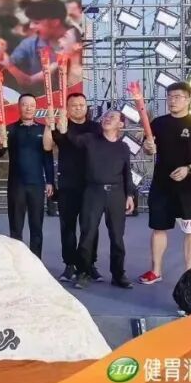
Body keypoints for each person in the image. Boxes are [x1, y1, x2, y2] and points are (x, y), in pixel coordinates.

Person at [138, 82, 191, 285]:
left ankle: (190, 275)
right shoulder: (159, 123)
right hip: (161, 184)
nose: (172, 101)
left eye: (177, 97)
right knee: (158, 228)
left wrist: (189, 168)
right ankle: (155, 271)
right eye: (170, 97)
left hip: (188, 186)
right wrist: (148, 148)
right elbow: (149, 149)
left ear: (188, 99)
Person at [58, 110, 136, 290]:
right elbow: (71, 139)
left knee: (117, 237)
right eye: (105, 116)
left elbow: (127, 173)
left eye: (112, 117)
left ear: (121, 124)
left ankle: (118, 274)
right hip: (93, 192)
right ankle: (83, 272)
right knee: (88, 234)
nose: (107, 119)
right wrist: (63, 127)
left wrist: (130, 195)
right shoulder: (90, 140)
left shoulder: (124, 147)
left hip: (116, 194)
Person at [0, 94, 55, 259]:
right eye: (24, 105)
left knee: (36, 227)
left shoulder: (43, 129)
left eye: (31, 105)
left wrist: (50, 181)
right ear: (18, 107)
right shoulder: (10, 129)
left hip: (37, 184)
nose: (28, 108)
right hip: (16, 185)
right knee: (16, 227)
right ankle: (18, 261)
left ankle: (36, 261)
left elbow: (48, 157)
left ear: (36, 108)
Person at [50, 93, 102, 283]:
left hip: (91, 184)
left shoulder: (95, 128)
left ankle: (89, 264)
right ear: (67, 108)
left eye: (82, 104)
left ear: (87, 107)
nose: (78, 108)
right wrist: (56, 127)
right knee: (68, 227)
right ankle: (70, 264)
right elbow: (51, 145)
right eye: (74, 105)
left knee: (91, 227)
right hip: (68, 184)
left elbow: (89, 146)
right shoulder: (61, 126)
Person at [0, 0, 71, 87]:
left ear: (55, 22)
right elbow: (9, 65)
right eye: (31, 22)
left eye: (36, 23)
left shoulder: (79, 42)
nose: (31, 26)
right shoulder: (29, 44)